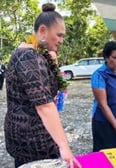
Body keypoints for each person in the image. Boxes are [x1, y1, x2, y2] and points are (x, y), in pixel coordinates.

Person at [4, 3, 81, 168]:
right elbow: (45, 106)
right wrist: (64, 146)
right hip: (34, 141)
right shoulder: (30, 58)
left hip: (21, 135)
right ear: (43, 31)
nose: (61, 41)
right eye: (59, 35)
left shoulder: (26, 52)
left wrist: (52, 63)